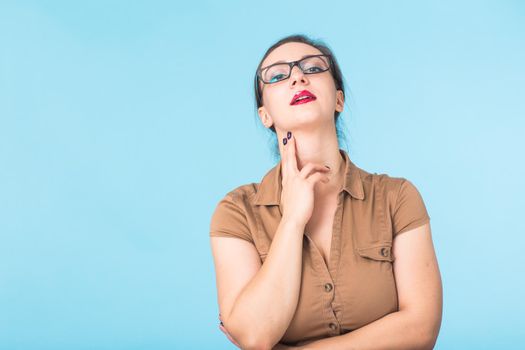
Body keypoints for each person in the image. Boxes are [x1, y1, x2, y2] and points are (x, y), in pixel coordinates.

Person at [209, 34, 443, 350]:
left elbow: (420, 330)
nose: (297, 77)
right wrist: (292, 219)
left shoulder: (397, 197)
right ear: (265, 115)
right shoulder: (236, 212)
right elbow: (254, 335)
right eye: (278, 75)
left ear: (338, 99)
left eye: (314, 68)